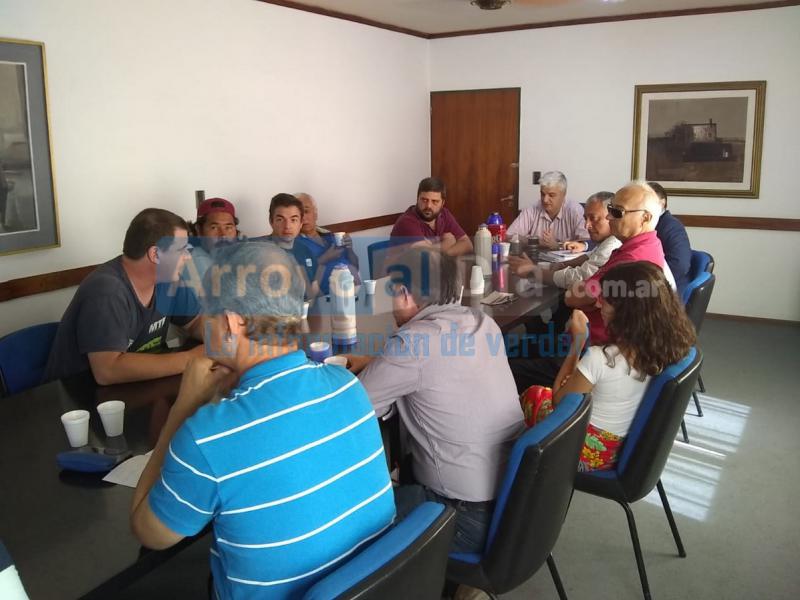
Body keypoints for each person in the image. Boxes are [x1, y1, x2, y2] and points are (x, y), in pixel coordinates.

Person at [130, 241, 395, 599]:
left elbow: (149, 532)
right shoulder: (347, 385)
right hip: (373, 586)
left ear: (230, 323)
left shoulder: (206, 436)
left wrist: (183, 409)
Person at [344, 247, 525, 555]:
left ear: (403, 293)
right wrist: (381, 363)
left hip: (462, 516)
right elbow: (439, 368)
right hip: (515, 502)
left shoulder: (412, 344)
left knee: (351, 522)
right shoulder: (482, 322)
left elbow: (354, 408)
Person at [521, 261, 695, 471]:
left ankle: (524, 462)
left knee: (534, 394)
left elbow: (559, 401)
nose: (598, 304)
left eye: (606, 300)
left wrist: (578, 342)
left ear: (625, 310)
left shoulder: (601, 358)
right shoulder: (668, 346)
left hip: (586, 452)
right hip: (622, 446)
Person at [509, 181, 676, 393]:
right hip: (589, 339)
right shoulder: (642, 245)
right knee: (520, 347)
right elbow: (584, 287)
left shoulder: (632, 261)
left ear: (645, 217)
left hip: (594, 351)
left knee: (508, 367)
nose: (609, 217)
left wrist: (579, 296)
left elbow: (574, 297)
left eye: (617, 212)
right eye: (610, 210)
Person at [44, 208, 204, 385]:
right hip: (77, 394)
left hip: (138, 386)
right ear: (155, 254)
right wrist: (189, 359)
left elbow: (196, 322)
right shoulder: (106, 292)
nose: (187, 257)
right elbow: (107, 371)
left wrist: (220, 339)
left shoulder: (168, 279)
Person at [508, 191, 621, 288]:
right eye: (586, 218)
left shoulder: (612, 245)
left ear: (612, 217)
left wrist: (533, 271)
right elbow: (590, 255)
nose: (586, 225)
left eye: (594, 218)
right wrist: (561, 265)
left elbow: (578, 278)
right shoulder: (609, 241)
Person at [253, 193, 323, 298]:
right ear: (271, 221)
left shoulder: (306, 250)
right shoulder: (259, 253)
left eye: (293, 220)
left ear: (300, 223)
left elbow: (314, 291)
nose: (287, 226)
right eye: (280, 220)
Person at [295, 192, 360, 295]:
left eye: (306, 211)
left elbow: (356, 266)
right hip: (326, 298)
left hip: (352, 291)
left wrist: (349, 249)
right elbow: (301, 280)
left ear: (315, 214)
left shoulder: (331, 236)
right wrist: (324, 258)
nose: (303, 217)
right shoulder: (296, 244)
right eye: (298, 214)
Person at [390, 177, 473, 257]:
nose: (428, 206)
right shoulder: (407, 222)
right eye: (424, 200)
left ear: (442, 203)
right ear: (417, 199)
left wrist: (447, 253)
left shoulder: (444, 214)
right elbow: (427, 258)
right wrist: (447, 243)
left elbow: (467, 244)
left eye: (435, 201)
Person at [506, 171, 589, 250]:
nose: (545, 200)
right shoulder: (532, 209)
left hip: (568, 260)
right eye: (542, 194)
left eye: (551, 195)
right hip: (536, 257)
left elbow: (585, 243)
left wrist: (557, 245)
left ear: (564, 194)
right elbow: (509, 236)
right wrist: (537, 242)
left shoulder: (575, 211)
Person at [649, 181, 692, 298]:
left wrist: (649, 282)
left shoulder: (672, 226)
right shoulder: (649, 223)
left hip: (666, 291)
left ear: (662, 203)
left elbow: (680, 264)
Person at [185, 197, 242, 279]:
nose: (223, 235)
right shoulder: (196, 260)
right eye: (214, 227)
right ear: (199, 230)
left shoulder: (240, 253)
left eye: (228, 228)